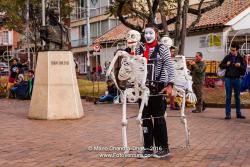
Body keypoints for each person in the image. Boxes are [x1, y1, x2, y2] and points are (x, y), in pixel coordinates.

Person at [139, 24, 175, 158]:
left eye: (150, 33)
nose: (147, 36)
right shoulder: (139, 48)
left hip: (159, 87)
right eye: (145, 33)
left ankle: (163, 148)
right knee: (145, 119)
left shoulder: (162, 48)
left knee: (159, 118)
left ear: (156, 34)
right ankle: (147, 148)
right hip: (143, 88)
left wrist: (170, 84)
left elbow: (170, 67)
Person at [219, 44, 246, 120]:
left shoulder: (241, 58)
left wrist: (240, 66)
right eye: (231, 50)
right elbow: (221, 65)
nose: (232, 51)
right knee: (228, 97)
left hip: (237, 79)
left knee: (237, 97)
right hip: (228, 79)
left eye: (233, 50)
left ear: (237, 50)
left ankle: (238, 114)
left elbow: (244, 69)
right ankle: (228, 114)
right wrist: (226, 65)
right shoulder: (227, 57)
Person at [169, 46, 180, 110]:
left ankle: (172, 105)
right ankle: (172, 105)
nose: (172, 52)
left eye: (173, 51)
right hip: (167, 76)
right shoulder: (167, 58)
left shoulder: (174, 58)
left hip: (174, 76)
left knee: (173, 91)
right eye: (171, 51)